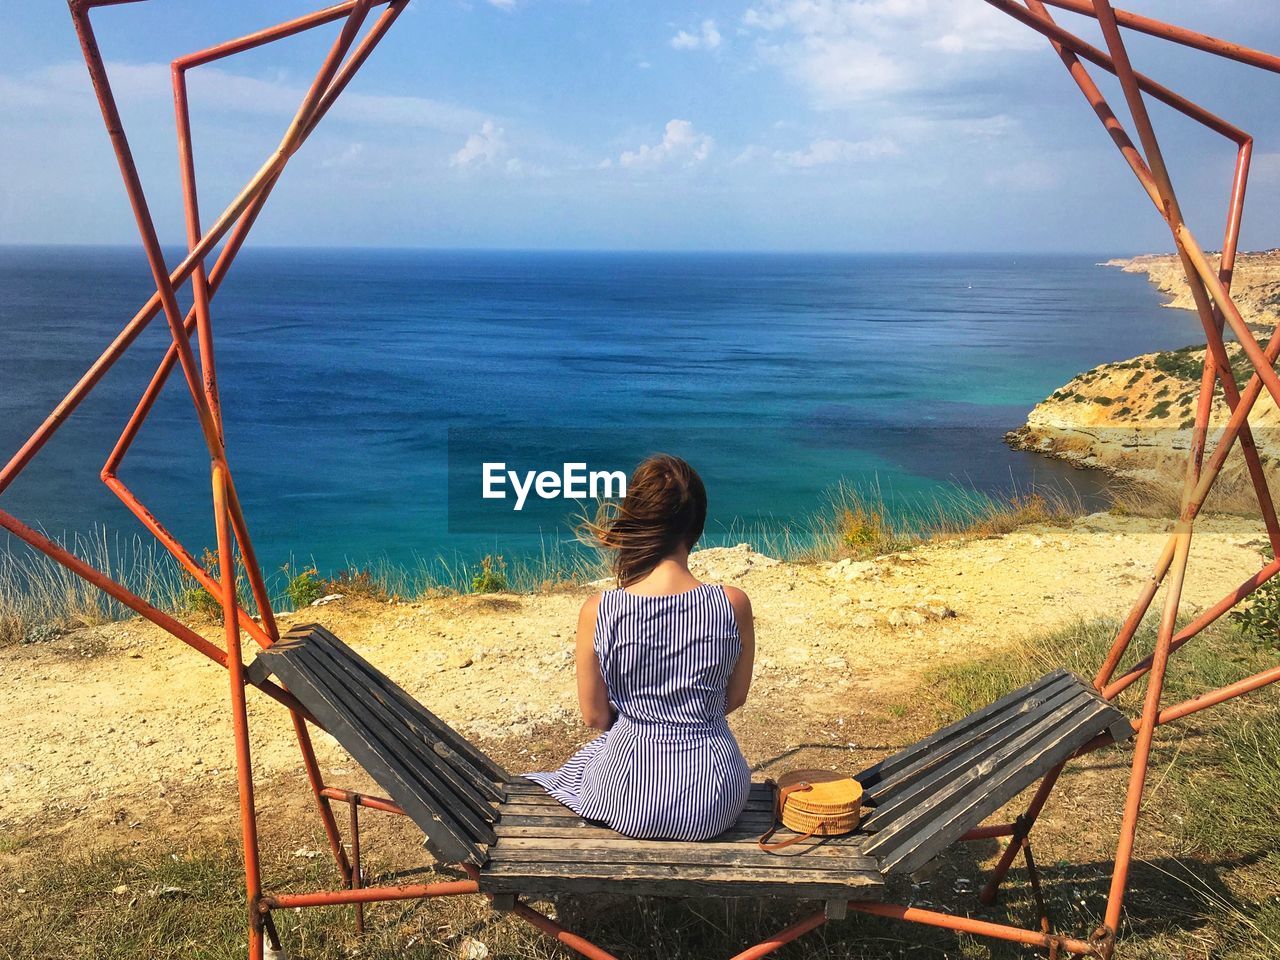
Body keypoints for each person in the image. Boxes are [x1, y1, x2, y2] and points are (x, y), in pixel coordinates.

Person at [525, 454, 754, 841]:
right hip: (716, 799)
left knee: (581, 766)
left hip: (630, 797)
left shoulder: (601, 610)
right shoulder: (733, 604)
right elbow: (734, 697)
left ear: (637, 522)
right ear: (696, 527)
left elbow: (596, 717)